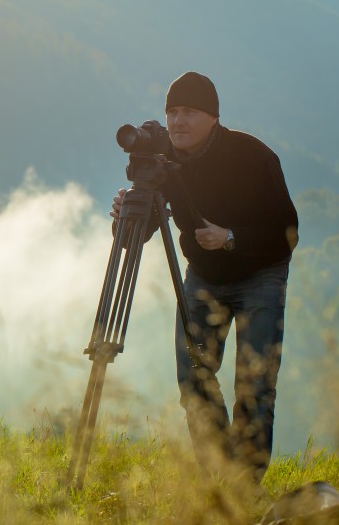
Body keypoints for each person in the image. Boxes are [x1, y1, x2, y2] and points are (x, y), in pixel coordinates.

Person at [111, 71, 299, 482]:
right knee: (194, 377)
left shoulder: (253, 156)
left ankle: (244, 486)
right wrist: (126, 214)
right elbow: (136, 238)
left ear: (213, 116)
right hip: (204, 277)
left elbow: (287, 231)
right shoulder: (166, 164)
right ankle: (217, 476)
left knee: (256, 385)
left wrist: (230, 237)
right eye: (172, 111)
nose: (178, 121)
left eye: (189, 112)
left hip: (260, 275)